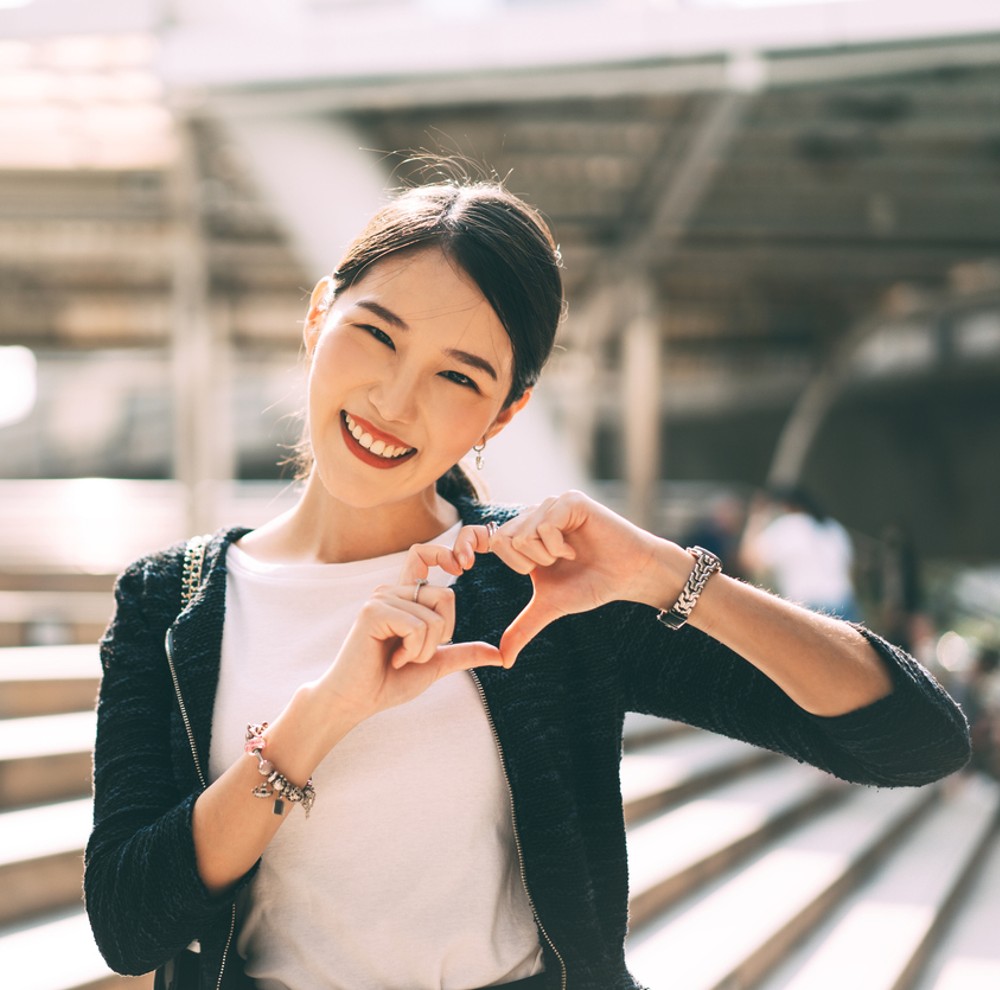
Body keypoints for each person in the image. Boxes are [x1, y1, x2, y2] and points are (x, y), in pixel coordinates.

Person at [85, 181, 971, 990]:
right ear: (319, 316)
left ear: (505, 411)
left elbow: (915, 741)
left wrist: (665, 573)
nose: (394, 399)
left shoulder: (545, 586)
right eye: (377, 334)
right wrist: (322, 718)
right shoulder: (172, 601)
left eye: (457, 375)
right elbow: (128, 925)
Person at [741, 485, 862, 622]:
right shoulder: (833, 527)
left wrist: (756, 518)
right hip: (845, 602)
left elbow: (749, 561)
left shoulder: (788, 526)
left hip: (809, 607)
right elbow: (850, 569)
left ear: (784, 506)